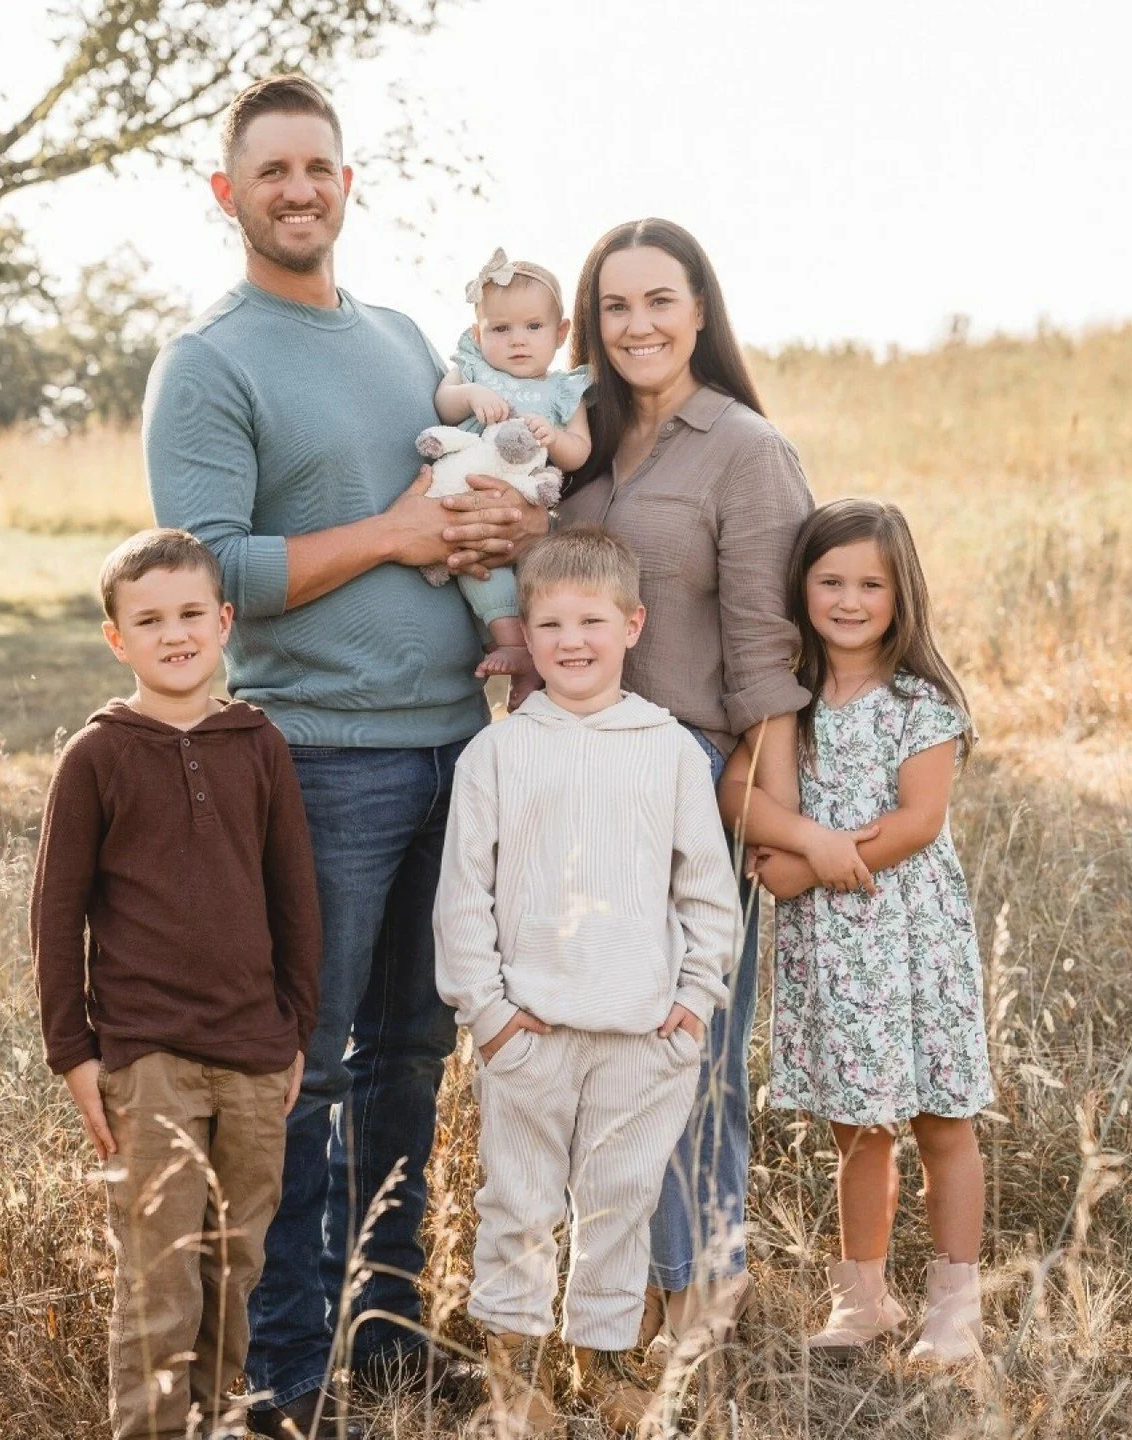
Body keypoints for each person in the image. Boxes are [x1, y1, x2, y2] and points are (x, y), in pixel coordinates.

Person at [142, 75, 543, 1438]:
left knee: (412, 1055)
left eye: (319, 165)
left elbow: (463, 504)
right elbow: (206, 573)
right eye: (272, 171)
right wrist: (392, 535)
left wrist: (492, 533)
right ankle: (285, 1367)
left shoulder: (403, 338)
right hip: (318, 764)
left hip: (461, 750)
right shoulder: (210, 362)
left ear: (348, 182)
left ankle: (387, 1333)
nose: (299, 188)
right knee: (302, 1070)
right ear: (229, 194)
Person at [557, 218, 814, 1347]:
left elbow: (772, 657)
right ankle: (624, 1295)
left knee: (691, 1050)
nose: (638, 325)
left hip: (692, 780)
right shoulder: (575, 446)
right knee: (596, 1054)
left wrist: (771, 821)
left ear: (701, 309)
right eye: (615, 305)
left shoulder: (746, 450)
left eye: (660, 300)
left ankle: (700, 1301)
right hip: (571, 780)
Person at [434, 527, 740, 1436]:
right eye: (551, 625)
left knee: (621, 1204)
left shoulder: (670, 749)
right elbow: (463, 897)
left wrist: (693, 1003)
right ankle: (514, 1377)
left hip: (645, 1034)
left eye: (591, 622)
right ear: (524, 635)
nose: (571, 641)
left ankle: (600, 1364)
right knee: (517, 1206)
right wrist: (488, 1014)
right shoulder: (496, 754)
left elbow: (707, 889)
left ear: (632, 625)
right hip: (530, 1032)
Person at [30, 528, 322, 1440]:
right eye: (150, 620)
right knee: (160, 1282)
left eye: (192, 613)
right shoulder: (97, 755)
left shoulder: (257, 743)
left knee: (234, 1271)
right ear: (116, 638)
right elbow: (55, 916)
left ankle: (213, 1423)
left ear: (225, 621)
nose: (176, 634)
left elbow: (296, 899)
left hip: (254, 1056)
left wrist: (295, 1031)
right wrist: (74, 1054)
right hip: (147, 1057)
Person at [720, 498, 992, 1363]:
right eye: (830, 581)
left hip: (914, 941)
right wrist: (808, 840)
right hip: (834, 949)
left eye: (870, 584)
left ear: (900, 592)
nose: (848, 600)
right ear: (801, 587)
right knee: (858, 1126)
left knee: (942, 1118)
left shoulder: (919, 702)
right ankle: (863, 1301)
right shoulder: (786, 702)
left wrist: (808, 867)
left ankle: (955, 1307)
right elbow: (737, 793)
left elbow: (918, 820)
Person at [431, 248, 593, 690]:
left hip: (524, 505)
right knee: (483, 575)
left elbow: (579, 451)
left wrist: (553, 437)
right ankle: (511, 649)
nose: (517, 340)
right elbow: (444, 405)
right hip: (469, 497)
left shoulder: (563, 391)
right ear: (478, 334)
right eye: (501, 329)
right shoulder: (472, 370)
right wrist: (470, 396)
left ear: (560, 333)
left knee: (541, 589)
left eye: (533, 327)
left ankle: (530, 671)